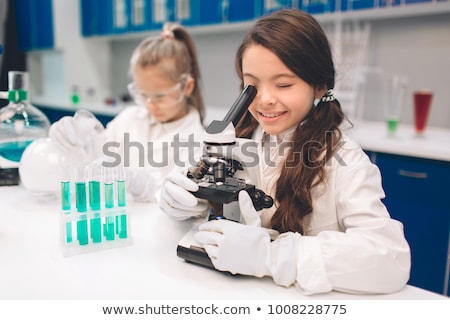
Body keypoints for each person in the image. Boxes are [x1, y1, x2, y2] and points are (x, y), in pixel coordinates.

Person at [158, 9, 411, 295]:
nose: (265, 99)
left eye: (284, 84)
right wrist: (187, 200)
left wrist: (272, 256)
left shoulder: (345, 159)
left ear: (319, 86)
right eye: (252, 85)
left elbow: (390, 260)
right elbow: (215, 204)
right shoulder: (240, 139)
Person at [49, 22, 205, 202]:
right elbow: (94, 159)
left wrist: (140, 184)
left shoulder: (197, 142)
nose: (150, 105)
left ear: (187, 87)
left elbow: (184, 204)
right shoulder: (129, 118)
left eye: (160, 96)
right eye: (142, 94)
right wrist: (77, 139)